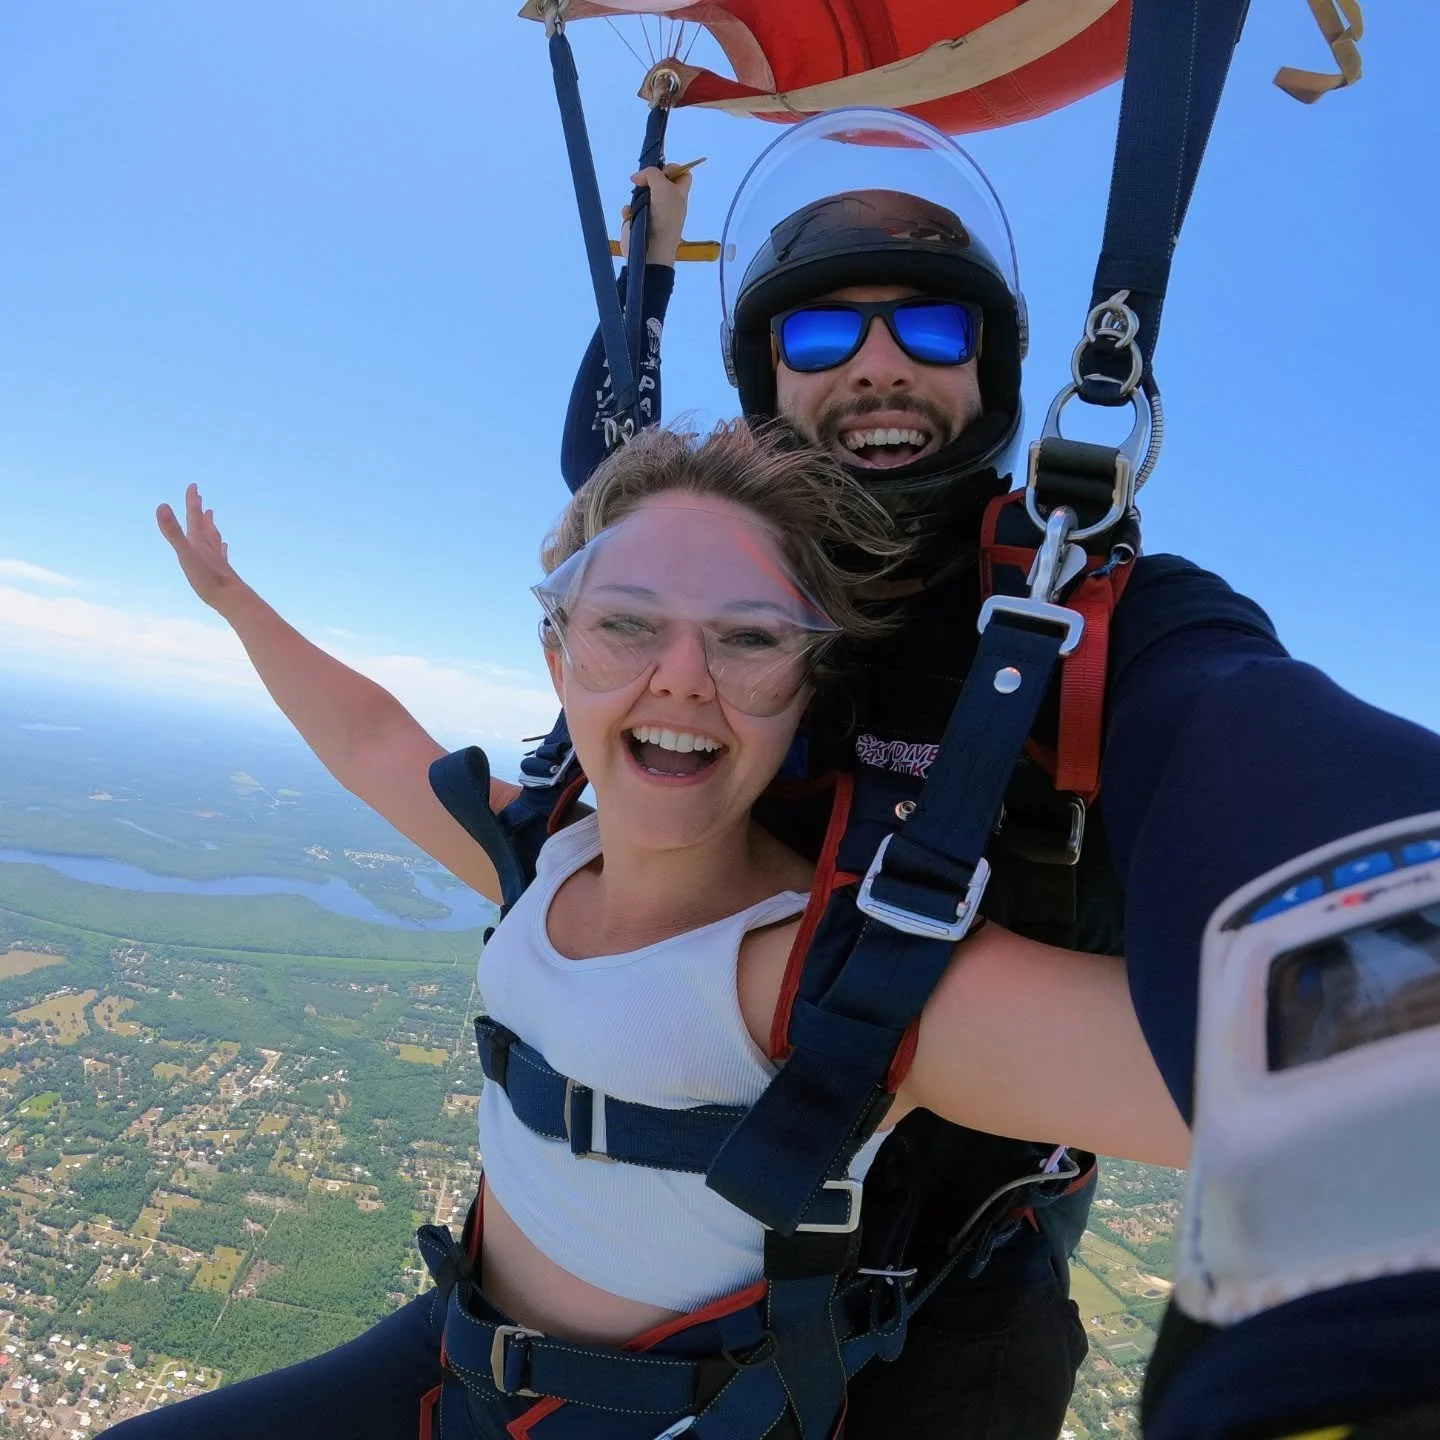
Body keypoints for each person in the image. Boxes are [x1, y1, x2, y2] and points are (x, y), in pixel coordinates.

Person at [558, 128, 1440, 1440]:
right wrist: (647, 264)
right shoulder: (682, 589)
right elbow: (603, 452)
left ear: (994, 373)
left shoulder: (1099, 627)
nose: (874, 364)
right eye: (817, 338)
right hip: (644, 1249)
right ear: (764, 386)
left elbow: (1276, 774)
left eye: (930, 327)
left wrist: (1366, 1317)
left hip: (951, 1317)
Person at [105, 423, 1185, 1440]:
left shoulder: (830, 977)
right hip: (458, 1360)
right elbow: (372, 738)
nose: (681, 675)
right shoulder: (537, 858)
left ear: (803, 691)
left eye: (750, 638)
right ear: (557, 660)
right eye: (626, 623)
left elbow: (1258, 1079)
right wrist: (231, 600)